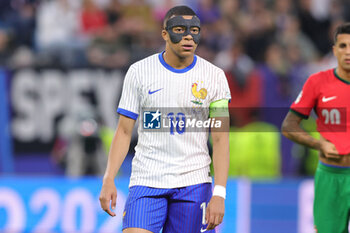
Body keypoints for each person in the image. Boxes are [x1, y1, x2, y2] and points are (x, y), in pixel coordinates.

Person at [99, 5, 231, 233]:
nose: (188, 36)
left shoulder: (215, 77)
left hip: (193, 182)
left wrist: (219, 193)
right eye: (180, 29)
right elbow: (123, 131)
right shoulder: (139, 72)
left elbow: (220, 139)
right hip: (147, 179)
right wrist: (109, 178)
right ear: (165, 33)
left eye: (195, 30)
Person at [281, 22, 350, 233]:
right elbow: (289, 125)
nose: (348, 52)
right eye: (343, 46)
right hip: (330, 175)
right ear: (334, 50)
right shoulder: (317, 82)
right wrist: (318, 143)